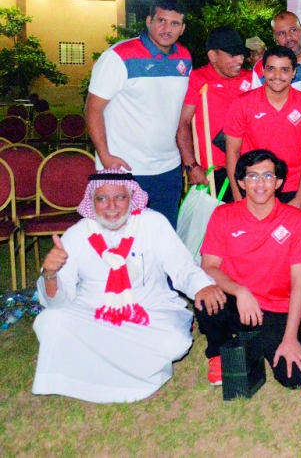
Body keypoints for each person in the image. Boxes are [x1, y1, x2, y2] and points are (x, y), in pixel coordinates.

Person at [32, 169, 225, 403]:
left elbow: (182, 267)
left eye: (120, 197)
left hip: (149, 308)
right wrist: (50, 274)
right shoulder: (77, 234)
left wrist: (202, 287)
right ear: (92, 202)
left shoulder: (152, 223)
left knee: (175, 342)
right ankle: (112, 362)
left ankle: (101, 359)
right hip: (94, 311)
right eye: (102, 198)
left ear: (132, 198)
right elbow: (58, 302)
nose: (111, 206)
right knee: (51, 323)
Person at [195, 149, 301, 390]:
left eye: (268, 176)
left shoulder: (297, 221)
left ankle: (256, 341)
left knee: (296, 378)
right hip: (234, 301)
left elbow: (299, 283)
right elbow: (209, 266)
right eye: (252, 176)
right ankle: (218, 352)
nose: (260, 183)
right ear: (241, 182)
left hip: (275, 308)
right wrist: (240, 291)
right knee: (206, 294)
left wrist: (290, 337)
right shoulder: (223, 215)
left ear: (279, 182)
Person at [85, 0, 192, 228]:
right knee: (120, 243)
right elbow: (93, 109)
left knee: (162, 239)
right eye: (161, 21)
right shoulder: (118, 56)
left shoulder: (184, 58)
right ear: (149, 21)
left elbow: (179, 114)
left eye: (175, 24)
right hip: (124, 168)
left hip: (168, 168)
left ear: (182, 29)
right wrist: (105, 156)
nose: (167, 29)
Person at [225, 46, 301, 210]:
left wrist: (300, 197)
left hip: (292, 186)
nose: (277, 76)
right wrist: (237, 195)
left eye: (284, 70)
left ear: (294, 73)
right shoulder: (242, 104)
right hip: (254, 185)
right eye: (271, 69)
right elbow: (232, 152)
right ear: (262, 70)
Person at [177, 26, 253, 202]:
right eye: (232, 55)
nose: (239, 60)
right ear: (213, 56)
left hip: (247, 167)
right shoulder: (198, 78)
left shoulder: (250, 78)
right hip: (213, 170)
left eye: (241, 54)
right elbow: (183, 123)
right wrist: (191, 166)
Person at [251, 11, 301, 87]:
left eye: (293, 30)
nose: (288, 37)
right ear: (275, 38)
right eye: (281, 33)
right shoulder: (263, 66)